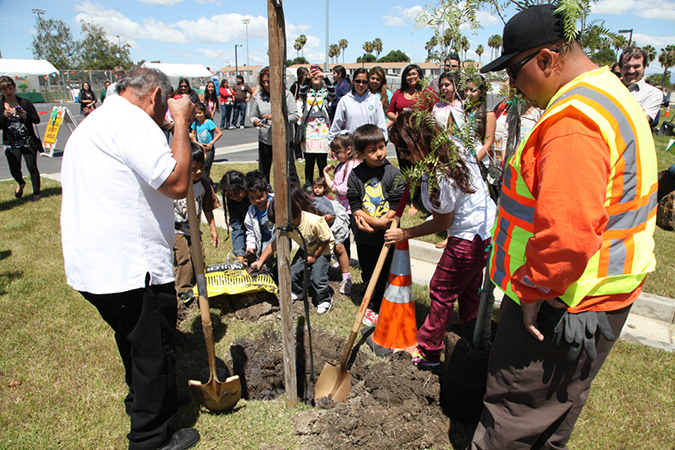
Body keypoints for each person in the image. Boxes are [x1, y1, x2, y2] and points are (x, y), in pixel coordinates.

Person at [473, 5, 657, 448]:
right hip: (596, 295)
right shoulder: (609, 91)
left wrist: (535, 290)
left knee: (513, 421)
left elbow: (567, 232)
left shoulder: (574, 121)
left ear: (546, 59)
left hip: (560, 304)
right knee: (552, 419)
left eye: (515, 72)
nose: (513, 87)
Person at [61, 68, 200, 450]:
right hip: (130, 267)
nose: (163, 120)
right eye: (163, 112)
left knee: (136, 342)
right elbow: (175, 183)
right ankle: (151, 438)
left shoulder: (97, 122)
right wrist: (182, 125)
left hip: (96, 264)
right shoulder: (131, 122)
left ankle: (152, 398)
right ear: (155, 97)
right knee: (151, 349)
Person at [386, 110, 496, 367]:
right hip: (487, 231)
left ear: (418, 142)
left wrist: (405, 233)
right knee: (469, 289)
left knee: (441, 289)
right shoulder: (451, 144)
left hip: (469, 238)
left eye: (404, 150)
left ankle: (428, 350)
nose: (402, 156)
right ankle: (470, 336)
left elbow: (442, 222)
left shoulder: (441, 174)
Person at [347, 124, 405, 326]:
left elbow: (396, 207)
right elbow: (355, 205)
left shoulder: (394, 174)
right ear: (360, 153)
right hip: (364, 235)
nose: (379, 153)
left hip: (388, 236)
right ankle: (370, 303)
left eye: (381, 147)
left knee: (386, 271)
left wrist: (382, 224)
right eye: (372, 150)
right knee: (368, 270)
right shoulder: (355, 175)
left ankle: (383, 305)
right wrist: (373, 223)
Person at [251, 183, 335, 314]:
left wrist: (314, 256)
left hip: (322, 249)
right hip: (306, 248)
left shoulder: (313, 221)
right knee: (293, 272)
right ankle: (298, 292)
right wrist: (260, 261)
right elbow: (273, 244)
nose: (279, 225)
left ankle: (325, 299)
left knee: (317, 278)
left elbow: (325, 240)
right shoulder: (286, 225)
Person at [173, 143, 221, 305]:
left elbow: (208, 208)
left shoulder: (204, 185)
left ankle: (198, 284)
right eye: (194, 168)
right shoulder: (177, 182)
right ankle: (183, 289)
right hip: (176, 229)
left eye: (201, 167)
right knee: (183, 256)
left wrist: (213, 230)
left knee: (198, 256)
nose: (199, 171)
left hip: (194, 229)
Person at [387, 64, 437, 215]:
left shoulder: (428, 93)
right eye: (408, 74)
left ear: (420, 75)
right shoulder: (398, 93)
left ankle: (417, 201)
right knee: (406, 169)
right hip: (402, 137)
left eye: (414, 74)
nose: (411, 77)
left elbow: (435, 111)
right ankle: (408, 198)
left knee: (420, 169)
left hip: (420, 138)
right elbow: (390, 112)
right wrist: (401, 120)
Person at [249, 66, 300, 184]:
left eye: (269, 81)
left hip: (284, 140)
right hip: (265, 140)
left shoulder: (286, 95)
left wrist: (276, 117)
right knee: (263, 171)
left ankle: (294, 196)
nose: (266, 84)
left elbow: (294, 116)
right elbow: (252, 116)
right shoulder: (260, 97)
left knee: (289, 171)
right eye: (263, 82)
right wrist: (256, 121)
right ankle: (266, 195)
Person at [0, 76, 42, 202]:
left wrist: (24, 114)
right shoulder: (1, 106)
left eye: (10, 88)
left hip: (28, 141)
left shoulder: (25, 102)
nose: (8, 91)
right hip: (11, 143)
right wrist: (4, 116)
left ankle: (36, 194)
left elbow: (36, 120)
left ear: (14, 87)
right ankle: (21, 182)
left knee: (32, 167)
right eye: (4, 89)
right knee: (14, 169)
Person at [298, 66, 336, 190]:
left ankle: (323, 184)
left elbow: (333, 94)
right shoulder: (306, 91)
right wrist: (307, 79)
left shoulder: (325, 91)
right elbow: (301, 93)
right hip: (309, 132)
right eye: (313, 74)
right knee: (309, 162)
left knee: (322, 162)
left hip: (322, 132)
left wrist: (326, 78)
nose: (315, 77)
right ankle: (309, 185)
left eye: (317, 74)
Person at [328, 68, 388, 142]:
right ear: (353, 81)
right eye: (358, 81)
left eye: (364, 82)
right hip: (352, 144)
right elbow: (336, 125)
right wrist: (331, 144)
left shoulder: (375, 100)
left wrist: (383, 142)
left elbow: (381, 125)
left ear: (368, 83)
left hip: (370, 145)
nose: (361, 84)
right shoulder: (345, 100)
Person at [619, 46, 663, 125]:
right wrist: (636, 112)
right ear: (620, 68)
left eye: (636, 67)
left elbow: (642, 121)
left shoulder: (653, 93)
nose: (631, 71)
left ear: (644, 67)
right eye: (627, 67)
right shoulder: (609, 88)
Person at [244, 170, 275, 263]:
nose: (257, 200)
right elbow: (250, 232)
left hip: (279, 236)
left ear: (267, 190)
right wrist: (250, 247)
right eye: (252, 198)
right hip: (264, 240)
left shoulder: (275, 202)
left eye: (260, 196)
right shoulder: (251, 211)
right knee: (265, 259)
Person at [220, 170, 250, 264]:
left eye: (237, 193)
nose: (235, 197)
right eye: (230, 195)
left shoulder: (254, 194)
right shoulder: (233, 202)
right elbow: (237, 226)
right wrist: (239, 254)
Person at [190, 102, 222, 184]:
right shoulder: (195, 123)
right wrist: (197, 143)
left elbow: (219, 133)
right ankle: (203, 183)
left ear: (204, 112)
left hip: (209, 149)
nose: (198, 115)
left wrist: (211, 143)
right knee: (199, 168)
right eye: (196, 113)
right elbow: (192, 135)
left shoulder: (209, 122)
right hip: (200, 149)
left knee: (206, 168)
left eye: (200, 113)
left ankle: (207, 185)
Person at [290, 67, 309, 161]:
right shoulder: (295, 86)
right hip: (298, 112)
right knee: (298, 134)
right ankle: (298, 155)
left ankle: (306, 153)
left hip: (307, 111)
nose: (307, 77)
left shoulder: (309, 85)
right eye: (305, 75)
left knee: (307, 134)